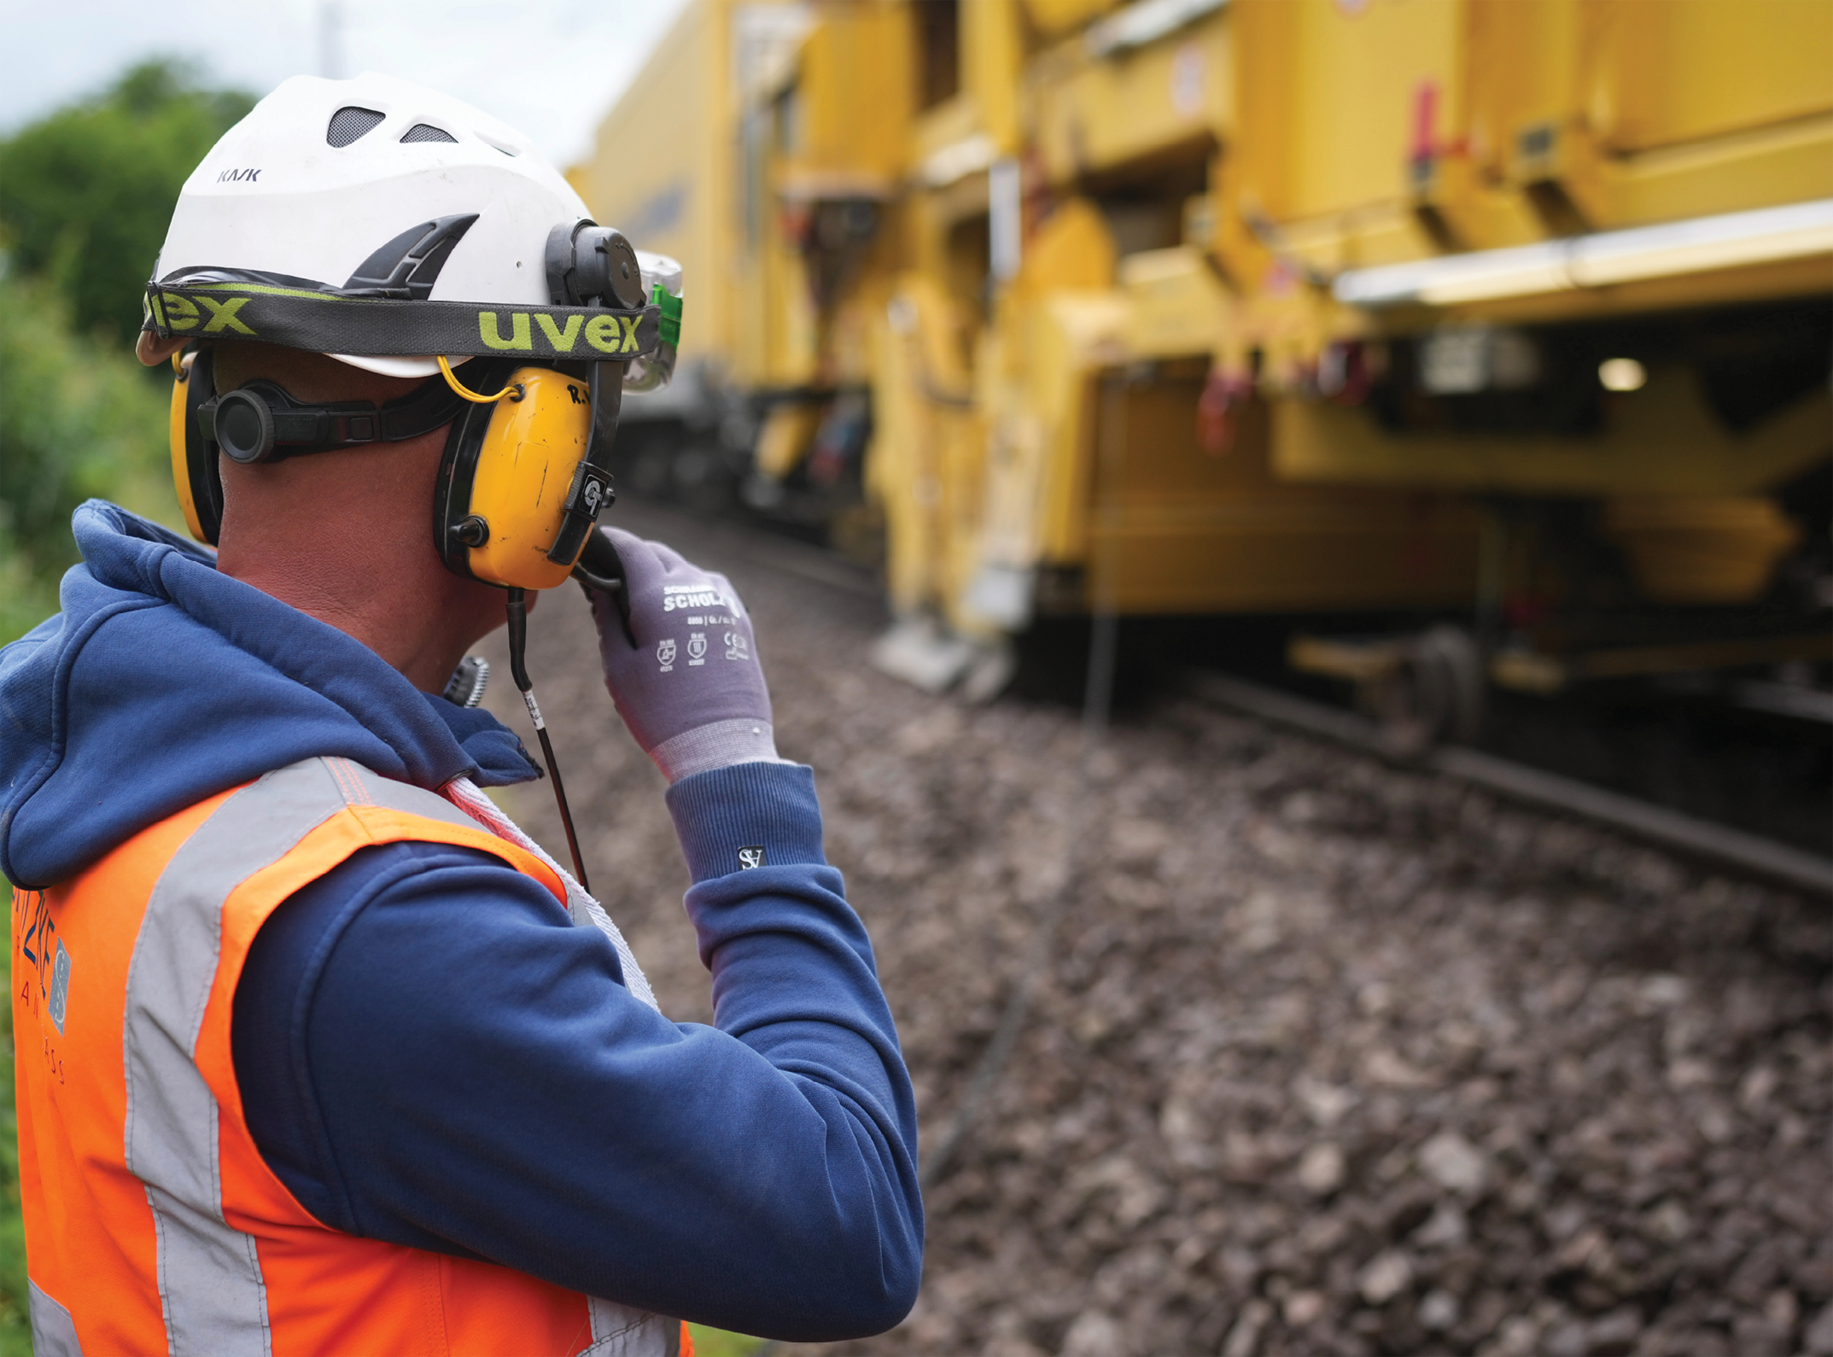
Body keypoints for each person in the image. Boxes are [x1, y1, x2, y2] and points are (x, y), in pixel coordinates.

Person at [0, 73, 921, 1356]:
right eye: (581, 410)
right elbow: (848, 1219)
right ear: (519, 453)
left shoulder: (141, 758)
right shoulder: (375, 925)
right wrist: (733, 775)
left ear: (203, 431)